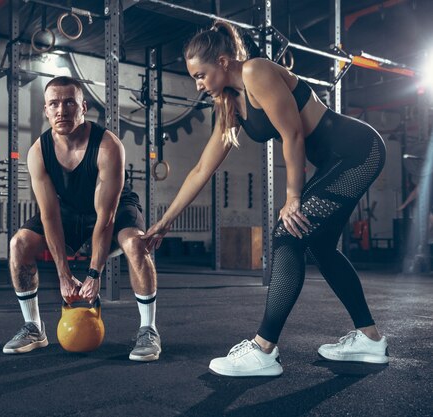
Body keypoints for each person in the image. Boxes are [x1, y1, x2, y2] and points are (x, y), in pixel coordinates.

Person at [142, 22, 388, 376]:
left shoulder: (257, 71)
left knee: (287, 234)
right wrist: (165, 222)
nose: (197, 84)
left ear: (223, 61)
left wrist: (292, 198)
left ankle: (264, 349)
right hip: (339, 162)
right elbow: (200, 169)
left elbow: (292, 136)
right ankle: (370, 339)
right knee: (319, 246)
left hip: (357, 151)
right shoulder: (229, 103)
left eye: (200, 75)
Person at [3, 76, 161, 362]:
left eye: (69, 103)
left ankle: (148, 329)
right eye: (54, 104)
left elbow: (106, 217)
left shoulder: (107, 146)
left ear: (83, 107)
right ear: (46, 111)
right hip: (68, 210)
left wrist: (93, 273)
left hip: (113, 208)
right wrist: (63, 275)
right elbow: (49, 215)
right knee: (19, 244)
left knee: (137, 244)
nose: (61, 110)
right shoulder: (38, 152)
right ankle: (34, 328)